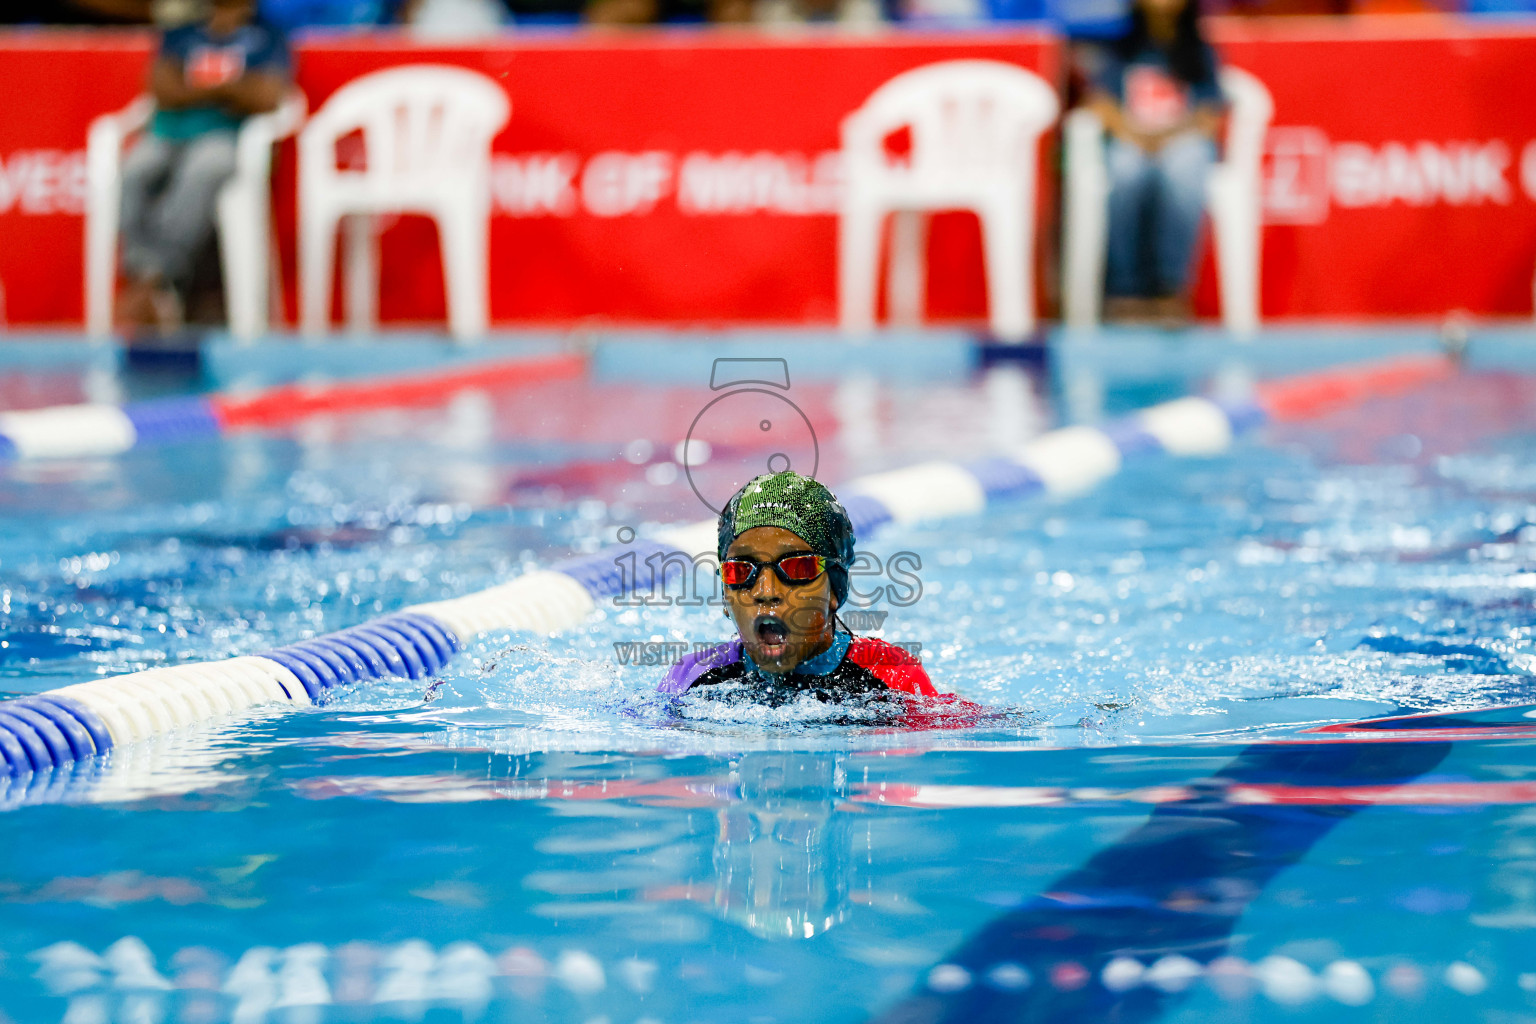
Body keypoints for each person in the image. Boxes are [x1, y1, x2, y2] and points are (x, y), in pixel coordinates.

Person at [659, 470, 938, 707]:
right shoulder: (690, 678)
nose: (766, 591)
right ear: (724, 594)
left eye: (797, 568)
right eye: (741, 570)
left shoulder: (892, 677)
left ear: (834, 590)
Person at [117, 0, 290, 331]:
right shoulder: (182, 33)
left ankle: (153, 280)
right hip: (169, 132)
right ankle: (147, 279)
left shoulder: (267, 37)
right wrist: (230, 88)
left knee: (204, 168)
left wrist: (196, 86)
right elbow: (162, 89)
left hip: (226, 136)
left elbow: (267, 97)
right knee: (134, 168)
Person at [1077, 0, 1224, 324]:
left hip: (1183, 141)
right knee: (1124, 170)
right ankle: (1124, 288)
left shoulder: (1199, 49)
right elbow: (1100, 103)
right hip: (1130, 139)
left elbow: (1209, 114)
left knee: (1183, 169)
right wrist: (1133, 134)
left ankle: (1170, 288)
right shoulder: (1120, 47)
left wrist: (1167, 137)